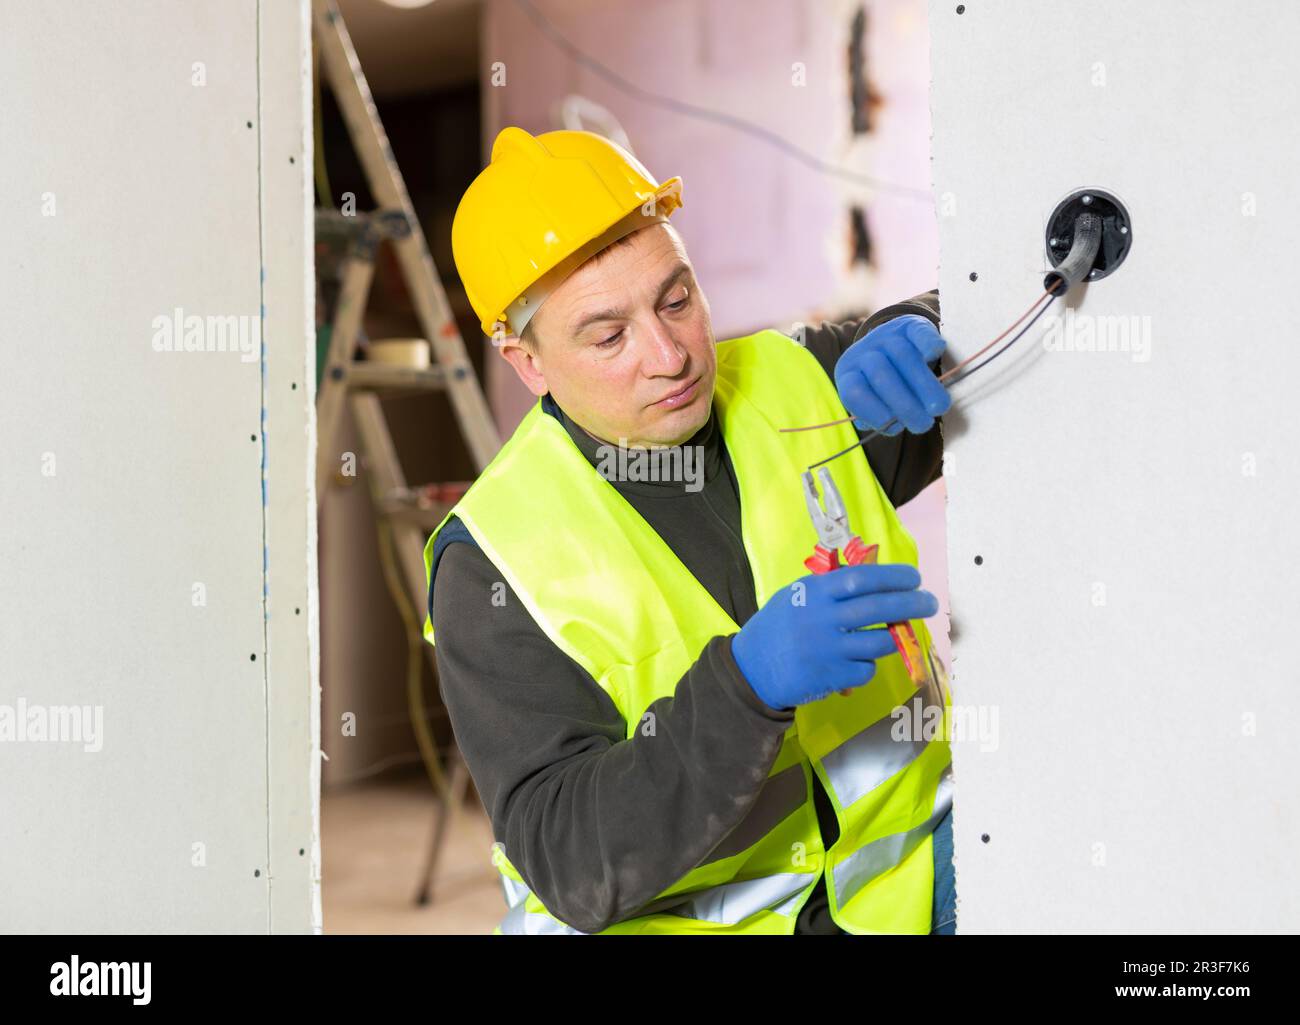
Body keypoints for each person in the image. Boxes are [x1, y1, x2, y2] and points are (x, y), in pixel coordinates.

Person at [424, 126, 956, 935]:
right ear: (526, 360)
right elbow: (571, 860)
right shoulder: (492, 562)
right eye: (609, 336)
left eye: (676, 299)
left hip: (907, 886)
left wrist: (926, 322)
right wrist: (744, 691)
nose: (671, 356)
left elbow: (1002, 334)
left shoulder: (798, 380)